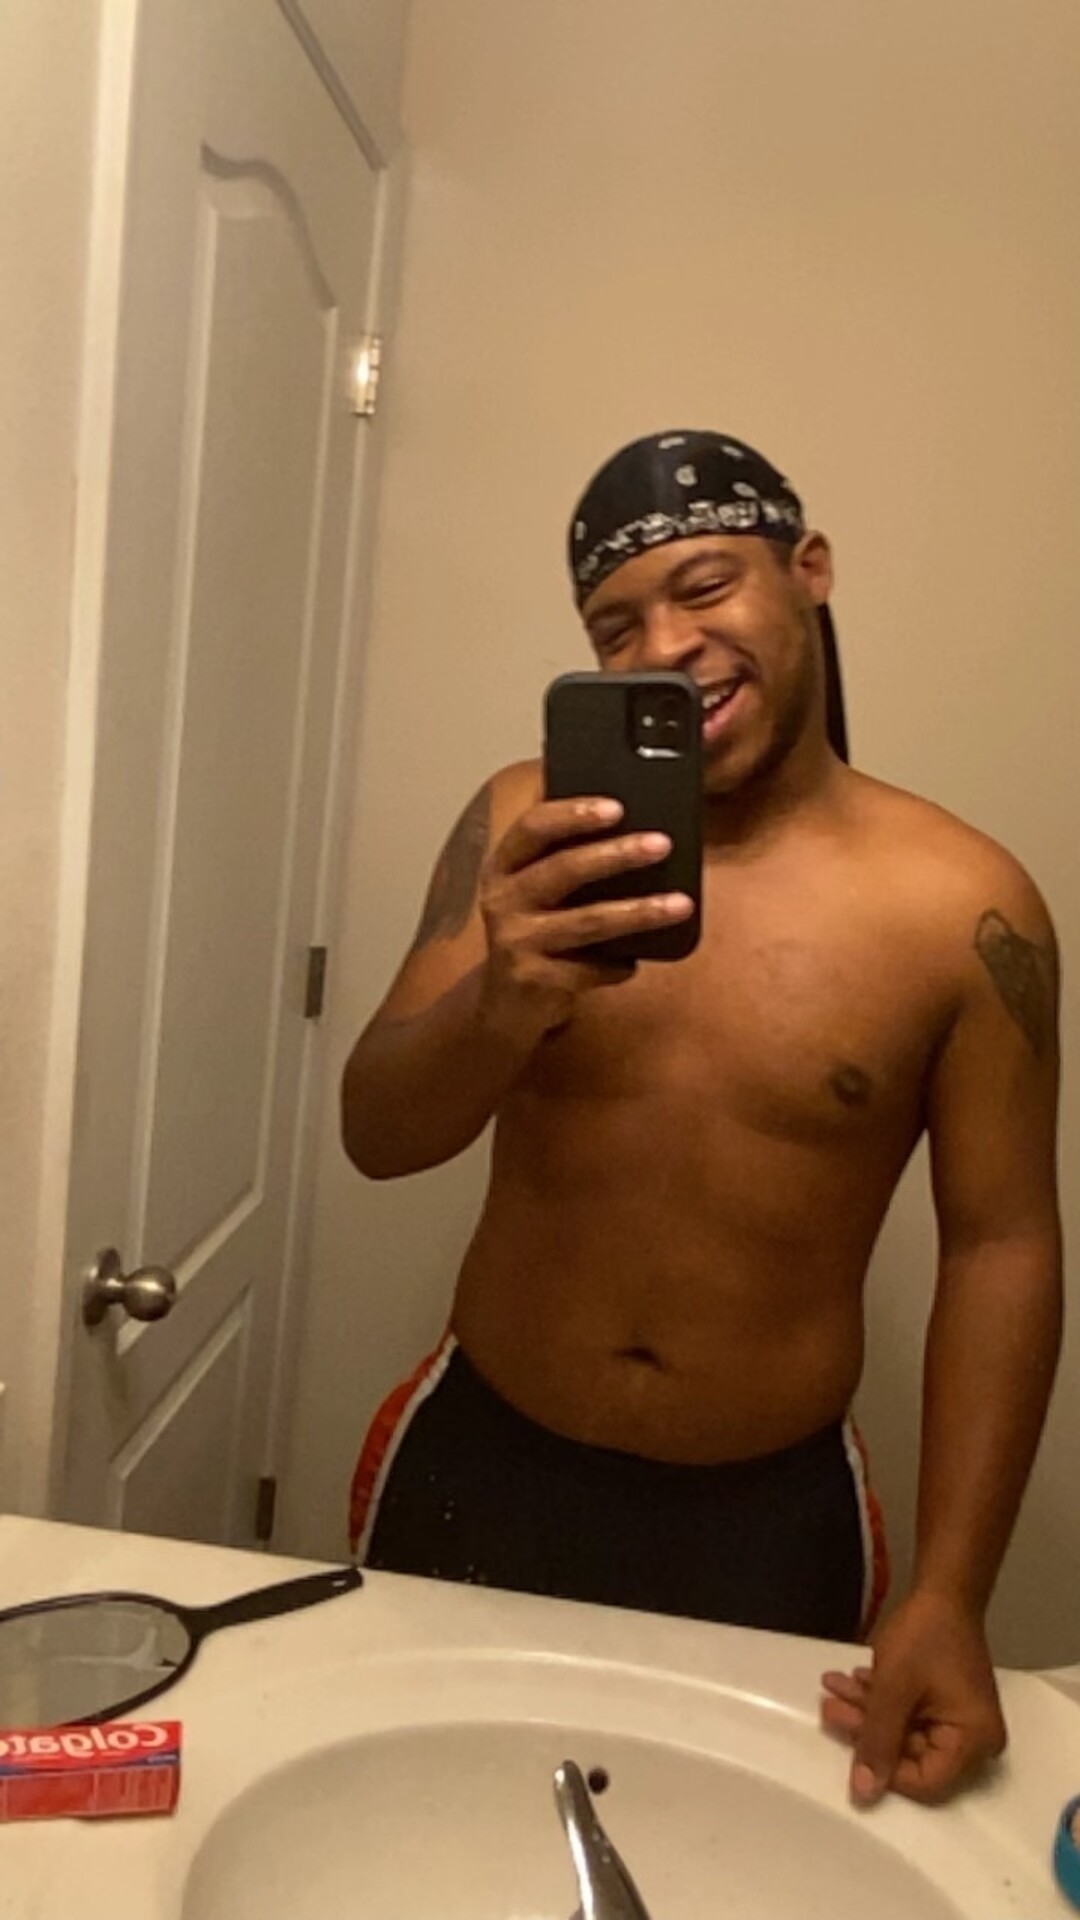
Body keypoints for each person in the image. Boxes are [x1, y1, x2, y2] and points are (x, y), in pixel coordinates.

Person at [341, 430, 1062, 1808]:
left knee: (737, 1857)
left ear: (810, 570)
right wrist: (499, 1002)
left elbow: (1002, 1246)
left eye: (707, 585)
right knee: (416, 1822)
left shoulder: (964, 908)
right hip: (484, 1455)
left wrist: (955, 1593)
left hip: (768, 1512)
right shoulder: (523, 826)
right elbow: (377, 1132)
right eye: (616, 626)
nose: (667, 645)